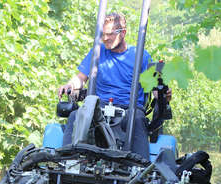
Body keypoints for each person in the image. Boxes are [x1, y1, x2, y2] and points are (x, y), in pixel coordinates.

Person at [58, 12, 152, 160]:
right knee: (76, 115)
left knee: (137, 119)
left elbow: (155, 86)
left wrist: (163, 94)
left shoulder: (141, 56)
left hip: (129, 108)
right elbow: (80, 78)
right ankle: (68, 162)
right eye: (103, 34)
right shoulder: (98, 52)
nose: (105, 38)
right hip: (99, 107)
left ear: (123, 33)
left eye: (110, 34)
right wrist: (70, 85)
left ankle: (141, 167)